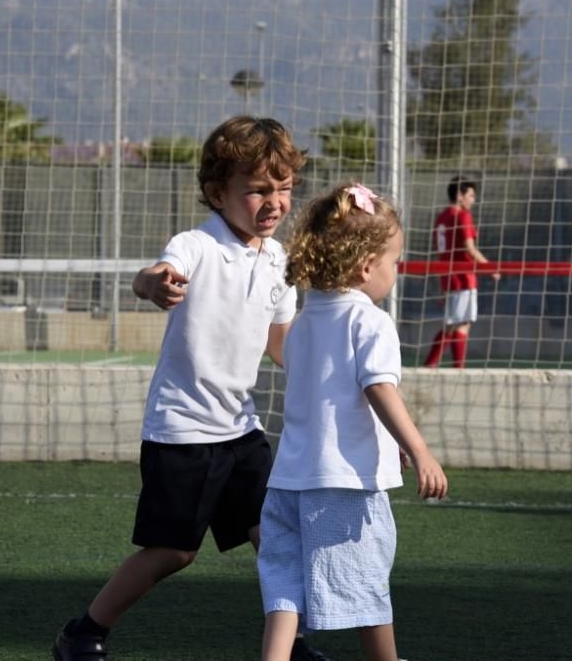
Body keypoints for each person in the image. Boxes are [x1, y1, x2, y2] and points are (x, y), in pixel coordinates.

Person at [51, 116, 327, 661]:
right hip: (181, 430)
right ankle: (83, 632)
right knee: (174, 552)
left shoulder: (278, 259)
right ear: (215, 193)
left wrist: (330, 372)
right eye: (256, 190)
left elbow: (282, 344)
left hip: (240, 429)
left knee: (275, 538)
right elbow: (151, 274)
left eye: (284, 189)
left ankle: (290, 645)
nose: (273, 202)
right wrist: (153, 283)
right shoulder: (196, 245)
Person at [259, 182, 448, 661]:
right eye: (394, 262)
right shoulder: (370, 321)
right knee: (366, 582)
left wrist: (393, 442)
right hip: (344, 485)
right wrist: (420, 448)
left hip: (288, 482)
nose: (395, 272)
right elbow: (378, 388)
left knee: (286, 587)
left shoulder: (302, 323)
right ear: (367, 267)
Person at [421, 176, 499, 368]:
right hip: (462, 277)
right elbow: (469, 248)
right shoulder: (461, 216)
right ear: (459, 195)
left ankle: (449, 366)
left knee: (457, 323)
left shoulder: (441, 217)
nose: (473, 200)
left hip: (447, 276)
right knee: (458, 325)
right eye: (470, 195)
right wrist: (489, 268)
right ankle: (441, 366)